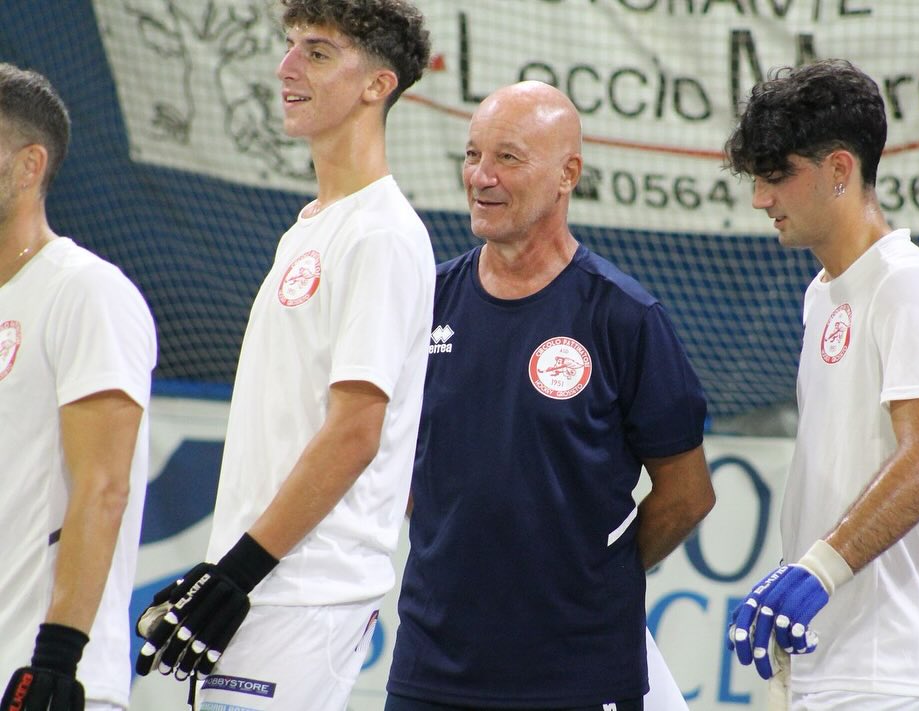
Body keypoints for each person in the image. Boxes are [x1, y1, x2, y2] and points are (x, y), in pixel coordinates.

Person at [134, 1, 434, 709]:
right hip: (262, 583)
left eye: (318, 53)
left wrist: (236, 573)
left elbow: (356, 431)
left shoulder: (382, 236)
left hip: (304, 590)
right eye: (291, 45)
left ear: (378, 85)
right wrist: (227, 571)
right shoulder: (309, 230)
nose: (286, 67)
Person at [386, 80, 716, 711]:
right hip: (432, 668)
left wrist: (592, 575)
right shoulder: (426, 303)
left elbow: (688, 493)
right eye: (472, 155)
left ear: (568, 174)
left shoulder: (625, 317)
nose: (481, 176)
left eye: (508, 158)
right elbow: (394, 458)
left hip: (579, 674)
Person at [723, 59, 919, 710]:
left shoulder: (906, 282)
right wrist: (797, 571)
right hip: (833, 659)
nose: (761, 199)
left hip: (897, 668)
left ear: (840, 169)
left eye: (776, 176)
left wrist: (818, 570)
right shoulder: (823, 294)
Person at [0, 63, 157, 711]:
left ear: (29, 165)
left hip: (45, 680)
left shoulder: (86, 292)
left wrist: (56, 662)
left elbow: (104, 486)